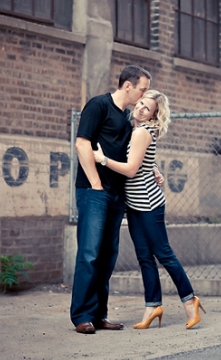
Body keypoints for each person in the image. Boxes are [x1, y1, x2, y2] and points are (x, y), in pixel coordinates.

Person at [93, 90, 206, 330]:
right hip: (134, 203)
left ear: (154, 115)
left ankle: (190, 301)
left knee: (163, 254)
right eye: (141, 103)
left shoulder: (142, 132)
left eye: (147, 108)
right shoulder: (136, 130)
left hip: (148, 203)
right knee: (144, 257)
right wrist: (154, 167)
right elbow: (142, 158)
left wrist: (102, 159)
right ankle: (152, 306)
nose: (141, 108)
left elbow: (131, 169)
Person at [71, 65, 152, 334]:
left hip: (117, 195)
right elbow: (82, 144)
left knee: (107, 257)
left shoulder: (128, 118)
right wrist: (95, 183)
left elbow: (132, 154)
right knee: (89, 253)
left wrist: (155, 169)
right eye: (142, 88)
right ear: (128, 86)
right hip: (94, 192)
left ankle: (98, 315)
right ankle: (82, 316)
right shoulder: (98, 106)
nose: (144, 94)